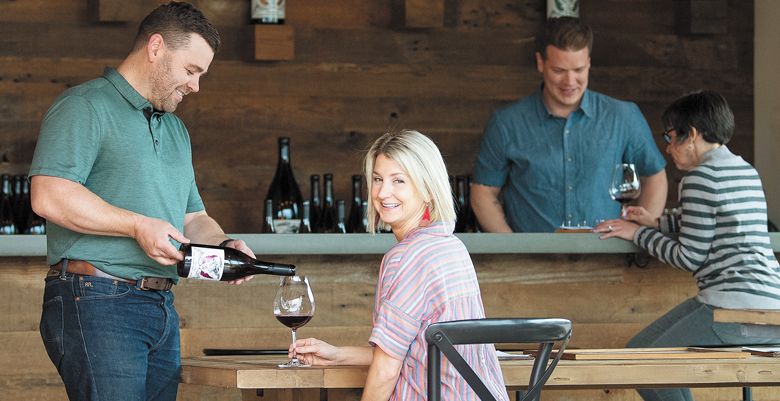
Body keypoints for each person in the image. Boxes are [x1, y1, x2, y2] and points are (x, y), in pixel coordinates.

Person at [30, 3, 254, 400]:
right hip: (97, 298)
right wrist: (136, 225)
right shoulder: (84, 106)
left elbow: (193, 216)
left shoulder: (175, 129)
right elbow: (49, 194)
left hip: (161, 304)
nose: (196, 86)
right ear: (156, 47)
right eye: (191, 70)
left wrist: (223, 245)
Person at [290, 130, 508, 401]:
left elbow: (386, 370)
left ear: (428, 189)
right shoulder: (452, 247)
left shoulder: (407, 257)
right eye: (378, 179)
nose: (383, 192)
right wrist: (337, 355)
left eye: (399, 181)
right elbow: (407, 351)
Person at [596, 90, 780, 401]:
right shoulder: (745, 170)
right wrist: (655, 222)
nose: (667, 149)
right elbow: (710, 217)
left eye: (670, 138)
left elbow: (689, 256)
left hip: (733, 310)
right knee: (639, 354)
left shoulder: (699, 177)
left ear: (691, 134)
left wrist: (635, 234)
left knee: (642, 364)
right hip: (769, 306)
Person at [471, 17, 668, 232]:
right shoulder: (506, 123)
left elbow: (654, 177)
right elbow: (483, 193)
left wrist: (640, 235)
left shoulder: (624, 116)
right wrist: (513, 251)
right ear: (540, 63)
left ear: (589, 63)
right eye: (559, 70)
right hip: (532, 260)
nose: (570, 82)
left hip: (610, 257)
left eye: (579, 70)